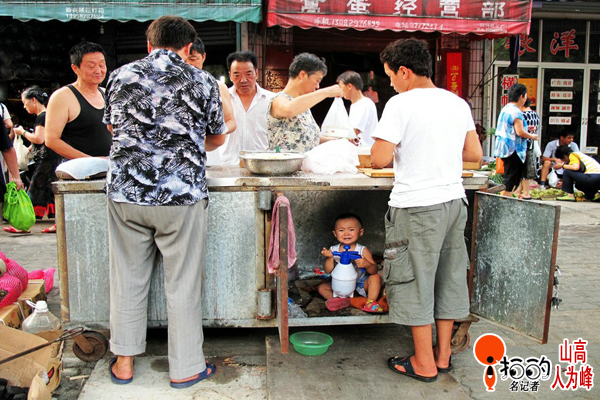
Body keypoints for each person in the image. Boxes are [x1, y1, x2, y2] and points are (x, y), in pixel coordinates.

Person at [103, 16, 226, 389]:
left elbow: (113, 129)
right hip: (181, 195)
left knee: (126, 277)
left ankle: (124, 363)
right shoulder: (203, 81)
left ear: (149, 43)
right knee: (183, 283)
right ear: (189, 47)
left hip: (126, 193)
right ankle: (186, 368)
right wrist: (184, 141)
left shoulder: (120, 76)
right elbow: (217, 138)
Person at [370, 38, 482, 383]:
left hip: (417, 206)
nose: (391, 83)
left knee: (415, 280)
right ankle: (442, 356)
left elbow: (379, 158)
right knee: (448, 277)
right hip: (454, 203)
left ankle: (423, 363)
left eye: (391, 76)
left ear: (404, 71)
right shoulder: (457, 103)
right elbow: (474, 154)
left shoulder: (400, 104)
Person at [4, 87, 60, 234]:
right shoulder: (49, 115)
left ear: (33, 100)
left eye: (25, 103)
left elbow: (39, 139)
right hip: (52, 158)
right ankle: (58, 224)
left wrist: (22, 132)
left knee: (34, 190)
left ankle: (23, 224)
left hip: (47, 160)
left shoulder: (42, 117)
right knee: (51, 192)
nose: (24, 106)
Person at [45, 41, 112, 160]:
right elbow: (51, 140)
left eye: (102, 65)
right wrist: (92, 161)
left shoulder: (107, 93)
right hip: (80, 168)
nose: (98, 71)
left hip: (110, 164)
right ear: (75, 68)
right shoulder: (62, 97)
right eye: (91, 66)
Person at [268, 52, 342, 152]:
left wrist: (339, 141)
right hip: (284, 162)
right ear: (303, 74)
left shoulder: (303, 105)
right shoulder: (279, 99)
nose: (317, 86)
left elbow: (309, 138)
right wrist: (326, 92)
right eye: (317, 81)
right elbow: (288, 110)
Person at [212, 50, 276, 166]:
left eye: (248, 74)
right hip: (228, 164)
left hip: (263, 165)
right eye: (237, 75)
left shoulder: (271, 100)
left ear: (256, 73)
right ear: (230, 76)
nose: (243, 80)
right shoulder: (220, 100)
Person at [317, 213, 383, 313]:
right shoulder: (333, 250)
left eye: (351, 230)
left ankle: (370, 302)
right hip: (340, 284)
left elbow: (374, 270)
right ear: (335, 233)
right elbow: (328, 270)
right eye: (341, 230)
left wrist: (367, 264)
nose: (346, 234)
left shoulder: (362, 250)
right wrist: (330, 258)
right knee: (322, 288)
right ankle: (339, 301)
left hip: (360, 283)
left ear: (361, 232)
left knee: (375, 278)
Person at [493, 83, 538, 197]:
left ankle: (504, 200)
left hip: (504, 148)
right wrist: (532, 136)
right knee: (511, 180)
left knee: (510, 179)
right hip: (513, 150)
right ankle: (502, 202)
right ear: (521, 96)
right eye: (525, 96)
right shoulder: (516, 112)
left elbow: (513, 128)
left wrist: (527, 128)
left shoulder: (506, 108)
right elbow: (520, 132)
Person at [187, 38, 236, 138]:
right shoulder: (168, 88)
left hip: (208, 144)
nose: (188, 64)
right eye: (183, 60)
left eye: (193, 59)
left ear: (203, 57)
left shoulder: (217, 86)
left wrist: (214, 134)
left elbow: (230, 121)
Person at [336, 71, 378, 147]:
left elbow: (354, 132)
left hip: (364, 150)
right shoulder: (356, 105)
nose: (340, 90)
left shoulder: (364, 104)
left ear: (349, 86)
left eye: (341, 87)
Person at [513, 98, 540, 200]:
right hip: (532, 144)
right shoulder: (535, 115)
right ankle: (519, 190)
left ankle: (526, 192)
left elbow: (520, 131)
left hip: (524, 144)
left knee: (524, 170)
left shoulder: (522, 115)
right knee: (525, 169)